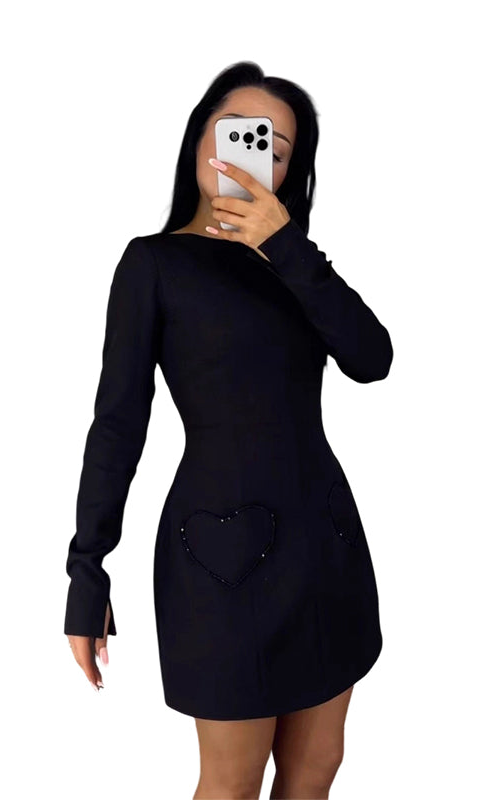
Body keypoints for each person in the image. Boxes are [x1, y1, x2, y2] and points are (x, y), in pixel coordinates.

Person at [64, 61, 394, 799]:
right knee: (232, 782)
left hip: (325, 542)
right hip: (218, 557)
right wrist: (88, 570)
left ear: (288, 171)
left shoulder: (297, 267)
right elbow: (117, 424)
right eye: (237, 131)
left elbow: (373, 359)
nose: (252, 151)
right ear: (198, 142)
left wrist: (288, 248)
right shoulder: (154, 264)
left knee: (317, 767)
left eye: (275, 146)